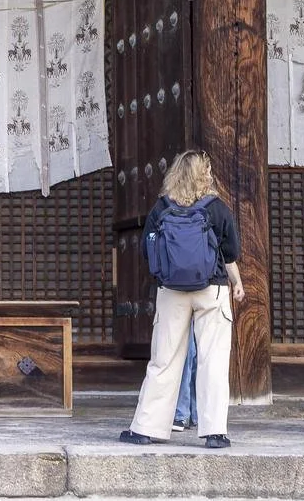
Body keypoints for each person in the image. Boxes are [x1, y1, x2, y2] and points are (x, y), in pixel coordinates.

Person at [120, 150, 243, 449]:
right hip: (211, 290)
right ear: (206, 174)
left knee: (164, 359)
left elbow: (147, 251)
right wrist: (237, 282)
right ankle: (215, 432)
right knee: (213, 360)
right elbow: (230, 254)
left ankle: (146, 428)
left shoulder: (161, 208)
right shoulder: (216, 209)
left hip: (171, 292)